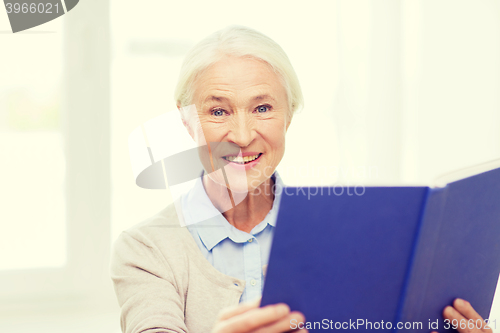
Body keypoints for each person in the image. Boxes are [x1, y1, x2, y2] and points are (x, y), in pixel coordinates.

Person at [110, 25, 492, 333]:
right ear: (186, 119)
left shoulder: (349, 231)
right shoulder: (146, 250)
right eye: (218, 111)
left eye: (262, 107)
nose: (242, 136)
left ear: (289, 115)